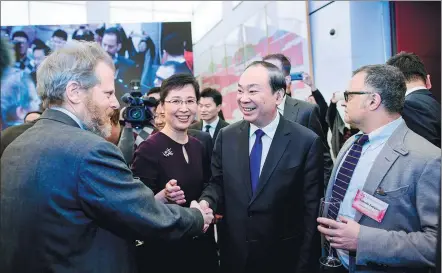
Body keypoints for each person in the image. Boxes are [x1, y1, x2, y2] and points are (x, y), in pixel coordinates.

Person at [0, 40, 213, 273]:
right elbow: (146, 217)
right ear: (74, 92)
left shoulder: (15, 146)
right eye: (108, 93)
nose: (114, 103)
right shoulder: (90, 150)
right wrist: (197, 217)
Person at [199, 61, 323, 273]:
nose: (243, 98)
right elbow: (217, 182)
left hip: (284, 259)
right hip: (235, 257)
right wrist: (206, 201)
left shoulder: (305, 141)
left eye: (253, 91)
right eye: (240, 90)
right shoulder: (227, 136)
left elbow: (311, 212)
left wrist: (305, 265)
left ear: (278, 96)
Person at [317, 64, 440, 272]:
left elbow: (435, 245)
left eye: (349, 95)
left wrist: (363, 240)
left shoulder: (427, 159)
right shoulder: (352, 143)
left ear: (373, 101)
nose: (344, 102)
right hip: (336, 263)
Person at [131, 74, 219, 273]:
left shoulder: (199, 145)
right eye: (176, 101)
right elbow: (137, 207)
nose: (184, 108)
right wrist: (164, 196)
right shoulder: (148, 149)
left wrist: (205, 203)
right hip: (166, 253)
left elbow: (209, 184)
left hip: (202, 247)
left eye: (190, 101)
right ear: (162, 106)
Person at [262, 53, 333, 188]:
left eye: (271, 71)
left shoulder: (305, 112)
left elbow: (323, 160)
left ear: (287, 80)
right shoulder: (253, 113)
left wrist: (322, 201)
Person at [386, 51, 441, 148]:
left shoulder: (409, 105)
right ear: (428, 80)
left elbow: (423, 153)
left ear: (393, 84)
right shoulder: (434, 104)